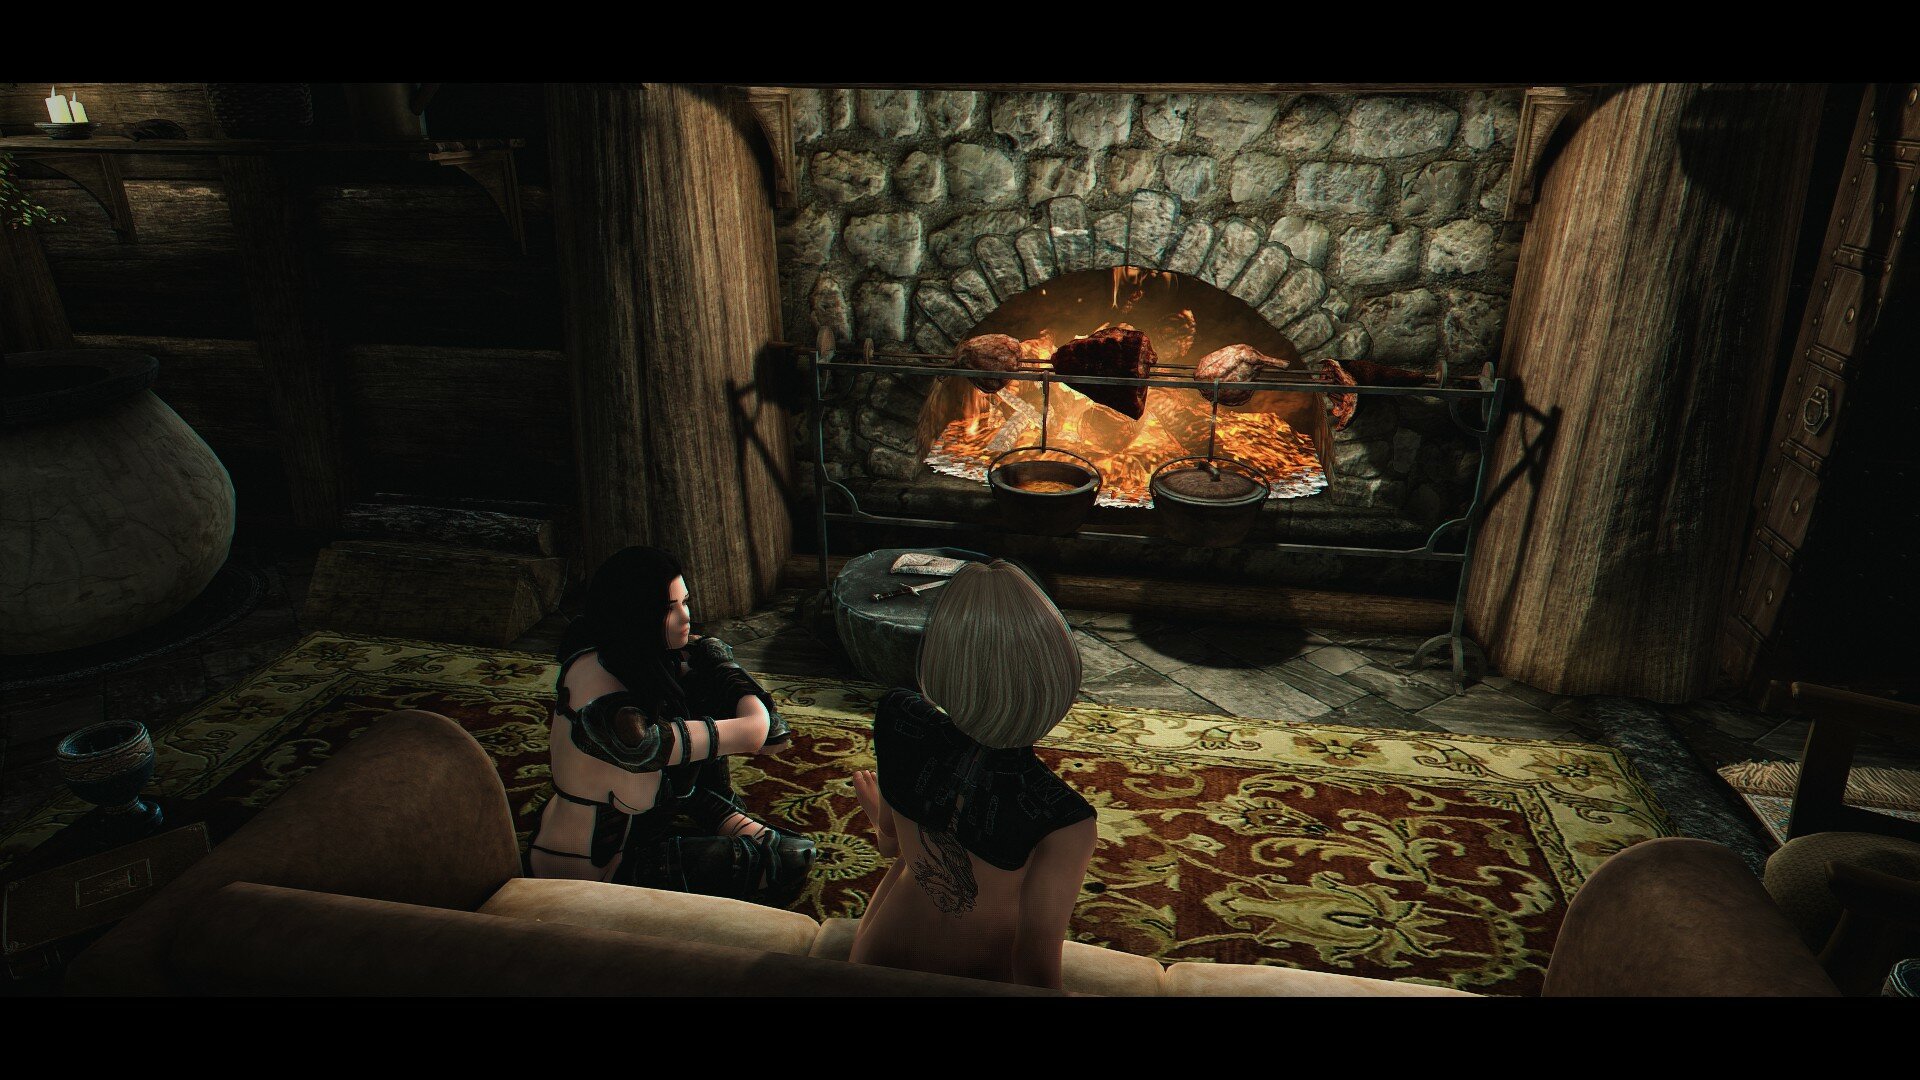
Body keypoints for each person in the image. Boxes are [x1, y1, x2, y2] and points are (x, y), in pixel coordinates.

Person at [847, 559, 1099, 989]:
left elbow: (890, 844)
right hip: (974, 979)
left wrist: (879, 811)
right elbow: (1035, 968)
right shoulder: (1065, 820)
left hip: (875, 959)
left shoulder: (900, 718)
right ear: (1056, 679)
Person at [528, 546, 816, 904]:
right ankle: (716, 822)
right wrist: (724, 668)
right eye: (669, 608)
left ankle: (718, 813)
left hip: (640, 827)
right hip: (595, 877)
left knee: (693, 697)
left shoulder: (618, 656)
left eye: (685, 602)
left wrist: (714, 671)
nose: (685, 618)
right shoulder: (616, 717)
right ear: (635, 614)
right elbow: (759, 731)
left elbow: (770, 731)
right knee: (785, 862)